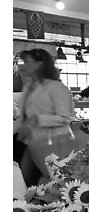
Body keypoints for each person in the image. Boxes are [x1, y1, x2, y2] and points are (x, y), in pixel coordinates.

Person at [13, 49, 76, 185]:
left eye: (27, 62)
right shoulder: (29, 88)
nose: (22, 65)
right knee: (29, 184)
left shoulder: (58, 88)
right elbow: (23, 119)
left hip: (55, 145)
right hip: (32, 144)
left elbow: (65, 118)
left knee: (56, 184)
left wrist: (39, 119)